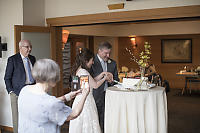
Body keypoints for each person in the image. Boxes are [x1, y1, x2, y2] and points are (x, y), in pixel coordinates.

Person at [18, 59, 90, 133]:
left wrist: (67, 96)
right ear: (53, 80)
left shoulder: (24, 90)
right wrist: (84, 94)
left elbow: (41, 104)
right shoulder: (51, 103)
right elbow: (74, 113)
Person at [69, 48, 113, 133]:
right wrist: (105, 79)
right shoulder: (84, 72)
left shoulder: (78, 70)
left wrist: (102, 74)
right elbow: (95, 85)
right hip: (86, 102)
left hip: (79, 100)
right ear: (86, 61)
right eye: (91, 60)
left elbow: (91, 81)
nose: (92, 62)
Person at [4, 40, 36, 133]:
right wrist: (11, 91)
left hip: (31, 91)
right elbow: (7, 77)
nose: (29, 49)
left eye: (30, 47)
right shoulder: (12, 59)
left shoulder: (33, 58)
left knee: (31, 116)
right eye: (27, 47)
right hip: (17, 93)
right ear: (20, 48)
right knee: (17, 118)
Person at [90, 41, 119, 132]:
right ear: (99, 51)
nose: (108, 55)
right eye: (106, 53)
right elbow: (89, 79)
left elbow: (116, 81)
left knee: (108, 117)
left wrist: (111, 81)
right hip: (96, 94)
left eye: (109, 53)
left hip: (109, 95)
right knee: (96, 118)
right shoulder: (91, 62)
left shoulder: (113, 63)